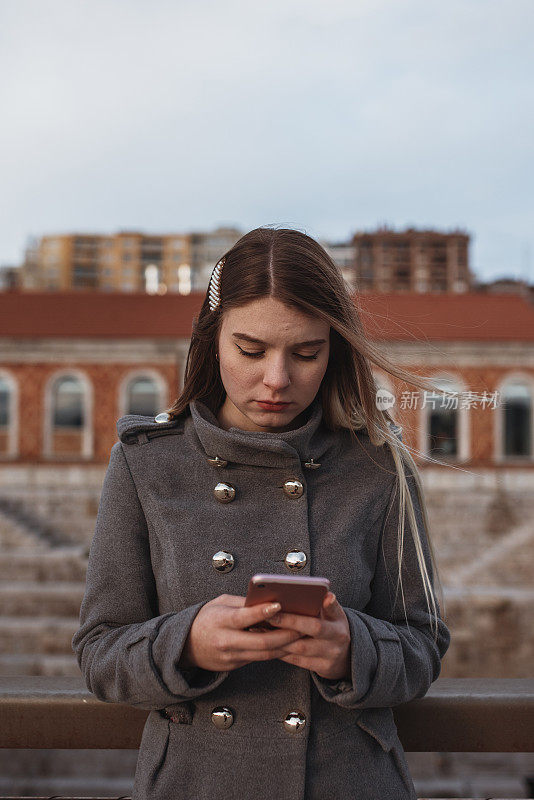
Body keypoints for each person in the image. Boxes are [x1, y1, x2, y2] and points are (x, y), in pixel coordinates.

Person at [72, 226, 451, 800]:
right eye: (250, 350)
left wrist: (352, 650)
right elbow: (100, 652)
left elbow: (423, 646)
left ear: (334, 349)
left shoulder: (378, 467)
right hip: (197, 784)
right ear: (211, 340)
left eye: (305, 353)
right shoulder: (146, 465)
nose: (277, 380)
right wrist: (188, 644)